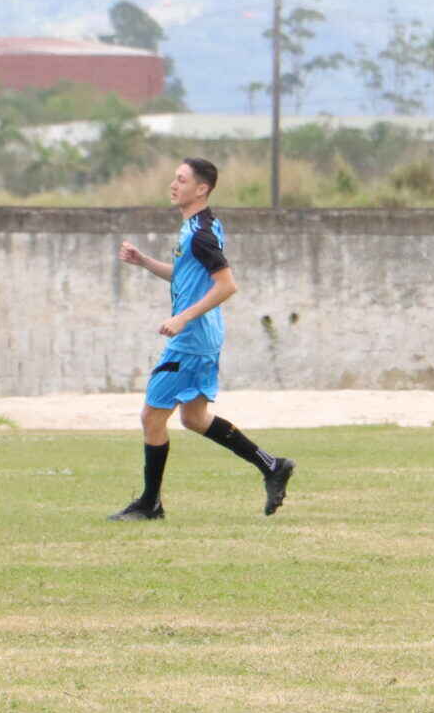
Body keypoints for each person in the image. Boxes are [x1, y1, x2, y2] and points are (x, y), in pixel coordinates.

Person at [106, 157, 295, 521]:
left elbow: (227, 285)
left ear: (201, 188)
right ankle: (272, 466)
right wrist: (145, 261)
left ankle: (150, 504)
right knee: (193, 418)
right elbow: (185, 276)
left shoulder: (201, 233)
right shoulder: (196, 227)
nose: (173, 185)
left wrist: (182, 317)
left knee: (151, 417)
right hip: (201, 337)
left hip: (191, 340)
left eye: (180, 180)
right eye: (174, 179)